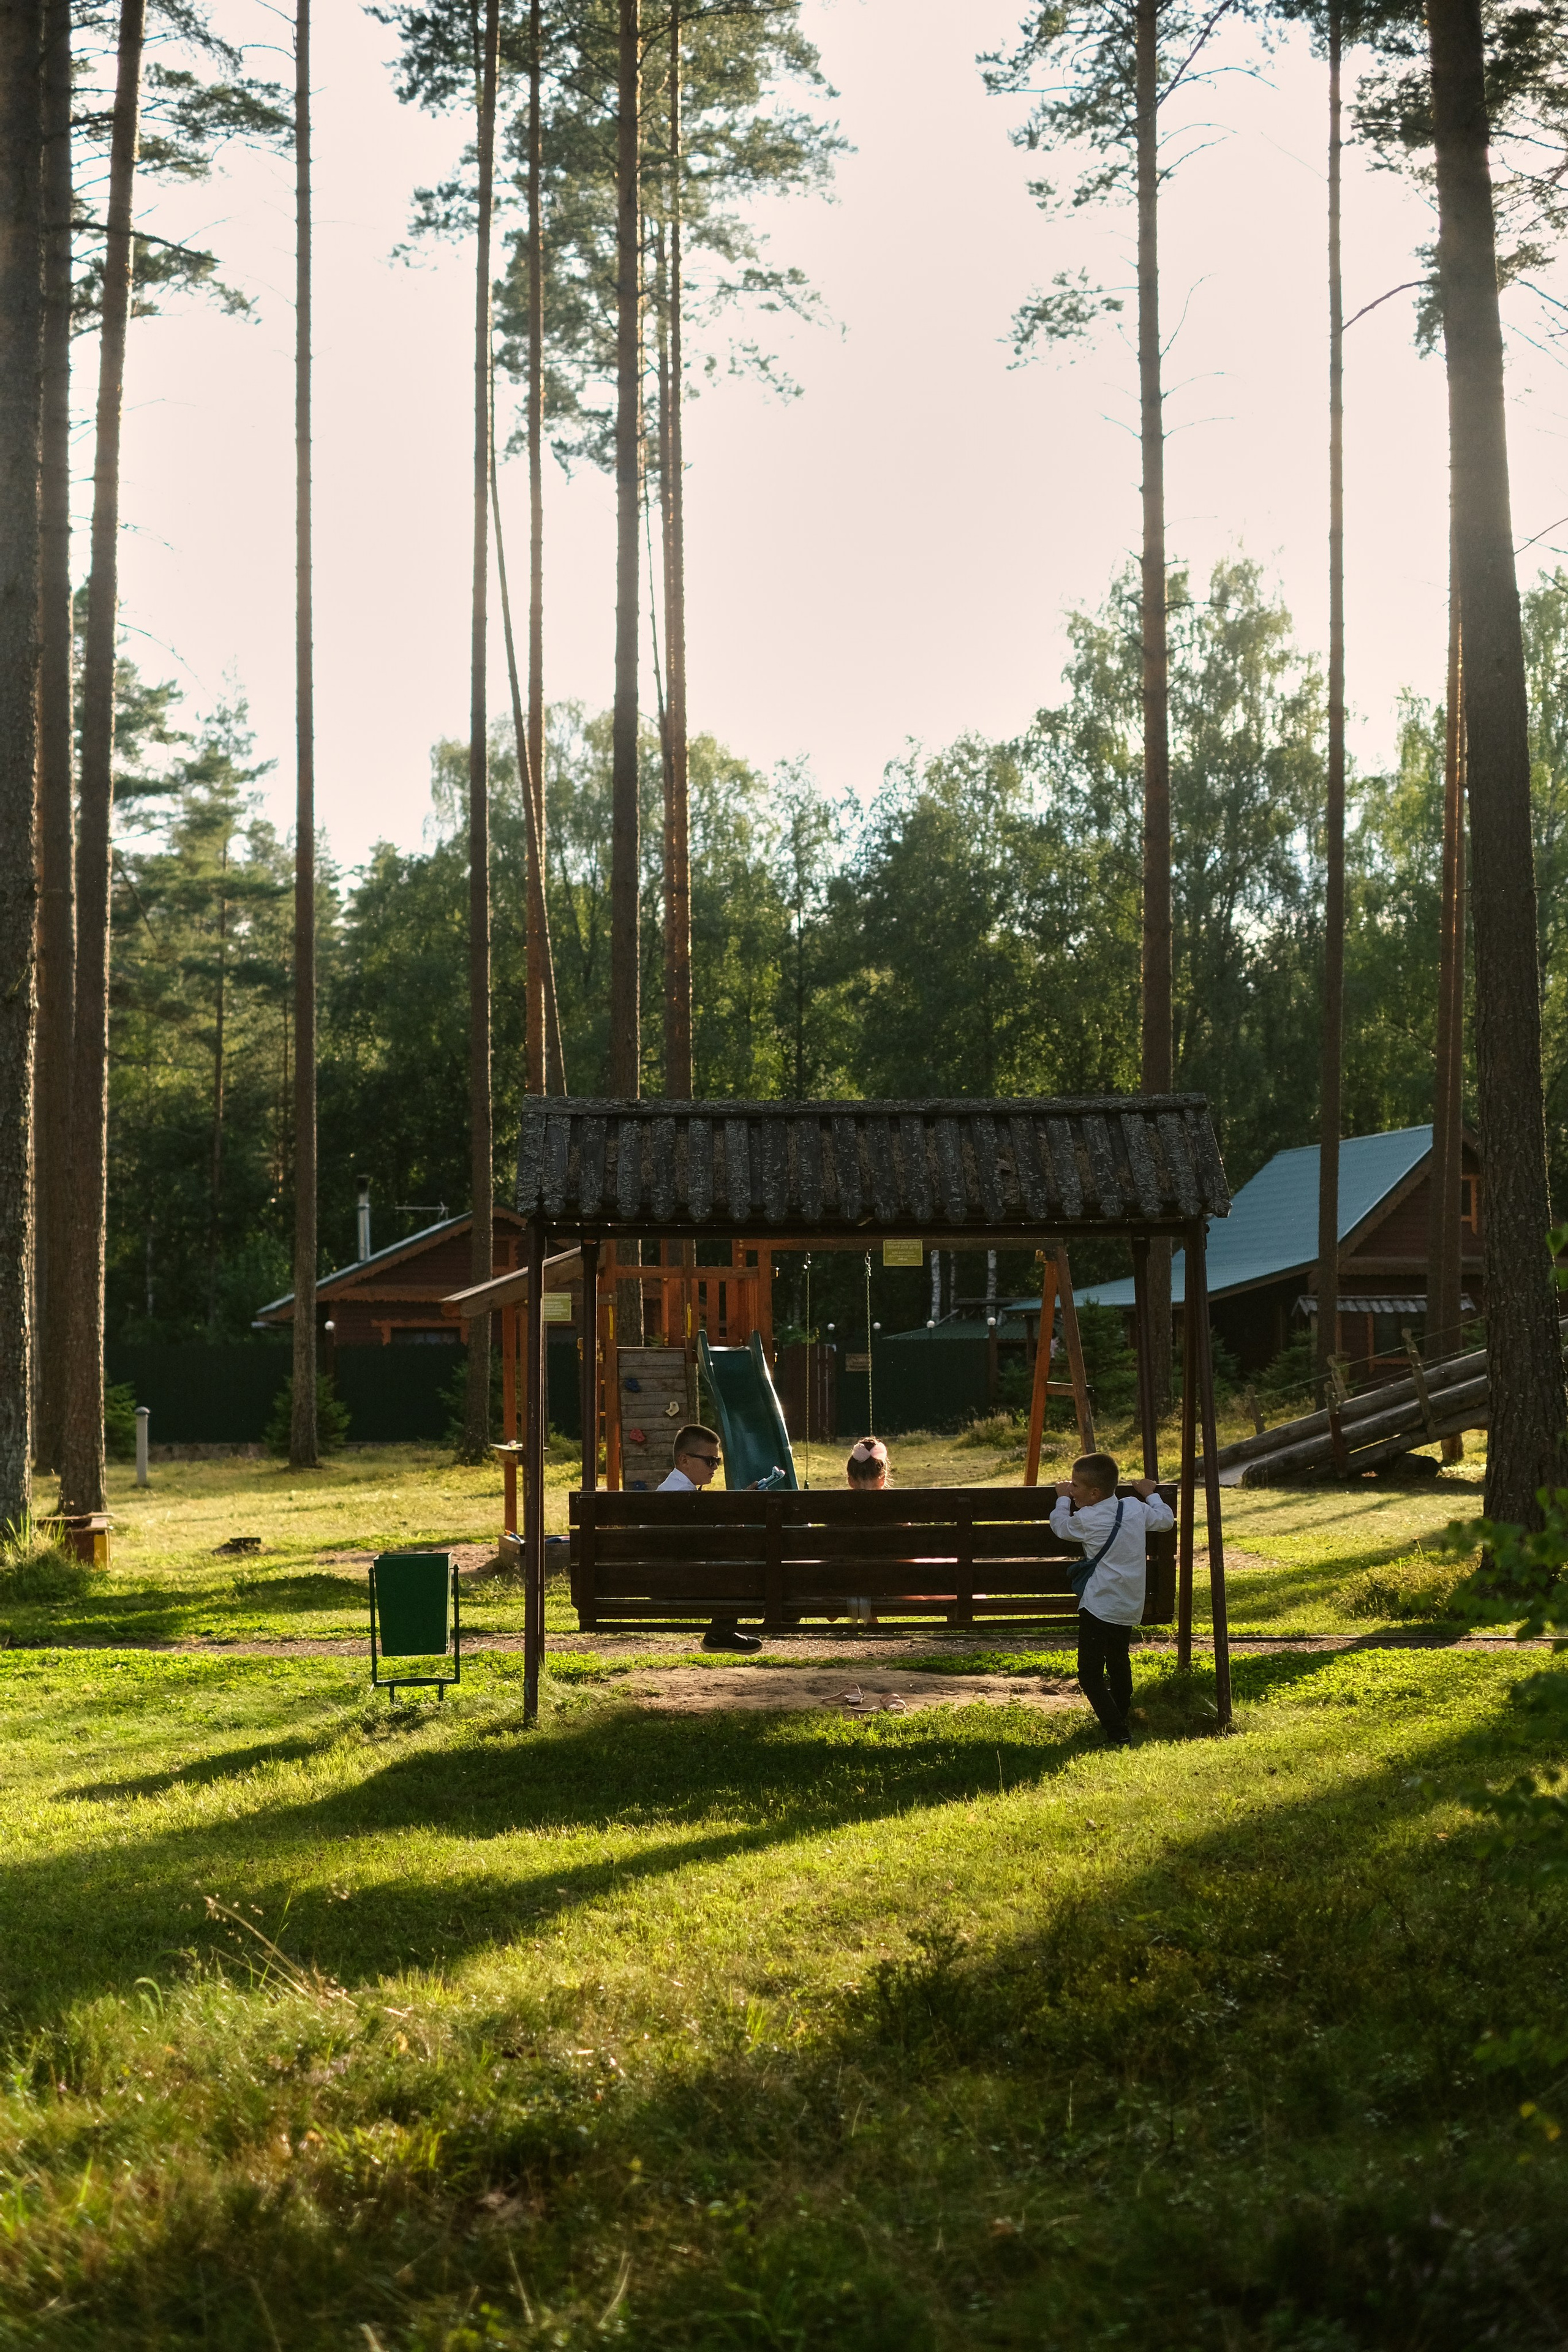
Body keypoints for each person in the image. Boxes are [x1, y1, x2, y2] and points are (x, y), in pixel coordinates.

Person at [1050, 1451, 1174, 1747]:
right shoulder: (1134, 1508)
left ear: (1093, 1493)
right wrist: (1151, 1494)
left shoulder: (1086, 1518)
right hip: (1130, 1604)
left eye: (1075, 1487)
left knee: (1089, 1674)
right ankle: (1121, 1714)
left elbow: (1060, 1527)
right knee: (1118, 1660)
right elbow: (1166, 1520)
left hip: (1098, 1605)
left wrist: (1060, 1500)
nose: (1071, 1489)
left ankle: (1117, 1732)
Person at [658, 1422, 763, 1654]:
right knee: (741, 1569)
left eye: (718, 1461)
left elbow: (695, 1541)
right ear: (684, 1460)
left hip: (665, 1577)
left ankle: (721, 1633)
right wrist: (733, 1519)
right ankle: (720, 1633)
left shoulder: (671, 1490)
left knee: (736, 1566)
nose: (715, 1467)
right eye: (710, 1460)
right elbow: (705, 1545)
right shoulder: (683, 1497)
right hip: (679, 1581)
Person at [841, 1437, 890, 1627]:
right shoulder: (899, 1508)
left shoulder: (835, 1508)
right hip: (890, 1583)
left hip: (844, 1581)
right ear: (883, 1480)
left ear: (850, 1480)